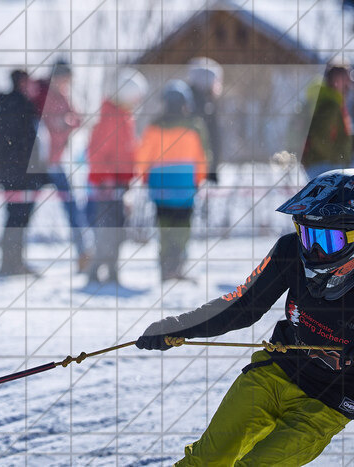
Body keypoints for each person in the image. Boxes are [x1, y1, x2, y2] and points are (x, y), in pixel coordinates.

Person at [136, 169, 354, 465]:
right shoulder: (290, 250)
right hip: (274, 373)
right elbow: (243, 305)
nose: (313, 249)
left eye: (330, 241)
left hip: (327, 403)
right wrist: (180, 326)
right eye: (307, 234)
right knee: (204, 461)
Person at [135, 80, 209, 281]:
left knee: (164, 228)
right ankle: (176, 266)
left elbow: (143, 157)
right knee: (182, 228)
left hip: (160, 188)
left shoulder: (153, 128)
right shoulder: (194, 127)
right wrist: (199, 180)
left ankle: (165, 267)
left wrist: (144, 178)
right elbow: (201, 158)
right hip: (185, 188)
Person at [85, 68, 147, 286]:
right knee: (107, 231)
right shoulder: (109, 119)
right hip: (108, 186)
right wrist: (107, 178)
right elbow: (96, 153)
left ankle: (111, 270)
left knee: (118, 230)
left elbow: (128, 150)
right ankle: (95, 271)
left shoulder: (124, 117)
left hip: (121, 184)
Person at [34, 59, 91, 269]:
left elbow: (77, 118)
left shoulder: (63, 97)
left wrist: (66, 122)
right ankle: (13, 255)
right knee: (24, 208)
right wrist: (62, 123)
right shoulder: (43, 96)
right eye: (65, 78)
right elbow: (47, 122)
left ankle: (84, 254)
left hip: (56, 162)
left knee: (72, 208)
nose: (67, 82)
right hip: (42, 164)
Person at [0, 69, 49, 275]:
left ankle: (13, 262)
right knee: (17, 219)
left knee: (17, 219)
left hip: (16, 174)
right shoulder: (18, 106)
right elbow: (21, 145)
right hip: (19, 176)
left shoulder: (14, 105)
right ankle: (11, 263)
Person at [300, 64, 353, 179]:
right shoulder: (330, 105)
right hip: (323, 165)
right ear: (335, 80)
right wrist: (338, 158)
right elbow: (320, 138)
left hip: (319, 164)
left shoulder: (332, 101)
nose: (348, 83)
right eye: (345, 78)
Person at [187, 57, 224, 184]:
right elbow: (210, 140)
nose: (218, 85)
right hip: (198, 171)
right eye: (215, 81)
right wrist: (211, 170)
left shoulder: (200, 103)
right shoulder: (202, 106)